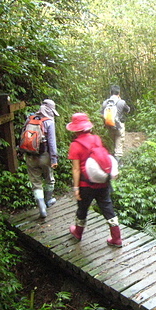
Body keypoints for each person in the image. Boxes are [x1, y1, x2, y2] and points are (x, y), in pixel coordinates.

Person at [66, 113, 122, 247]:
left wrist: (76, 188)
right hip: (103, 181)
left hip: (86, 185)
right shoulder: (96, 139)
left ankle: (78, 232)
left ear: (76, 129)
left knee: (82, 209)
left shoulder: (75, 145)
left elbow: (76, 169)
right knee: (108, 208)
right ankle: (117, 237)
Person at [24, 99, 59, 218]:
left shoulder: (30, 118)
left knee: (36, 183)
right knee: (49, 178)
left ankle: (41, 208)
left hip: (30, 155)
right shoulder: (49, 122)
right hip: (44, 156)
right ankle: (48, 201)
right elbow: (52, 143)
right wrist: (54, 159)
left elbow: (23, 136)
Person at [99, 85, 130, 161]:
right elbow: (128, 110)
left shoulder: (105, 102)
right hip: (119, 126)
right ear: (119, 93)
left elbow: (101, 114)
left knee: (112, 142)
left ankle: (110, 161)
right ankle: (118, 164)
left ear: (110, 92)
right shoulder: (121, 102)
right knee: (119, 142)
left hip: (109, 125)